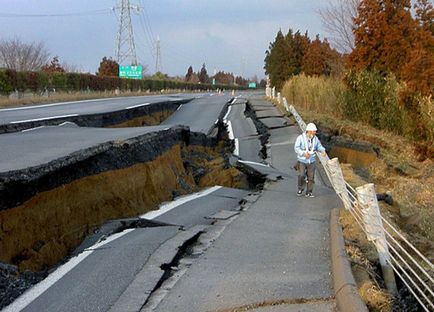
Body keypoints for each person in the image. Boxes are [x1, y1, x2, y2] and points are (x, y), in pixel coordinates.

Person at [294, 123, 326, 198]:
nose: (315, 132)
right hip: (302, 160)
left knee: (311, 177)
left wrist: (323, 150)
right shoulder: (300, 138)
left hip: (312, 161)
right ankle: (300, 188)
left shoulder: (315, 139)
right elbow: (296, 148)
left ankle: (309, 192)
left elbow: (319, 146)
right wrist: (303, 153)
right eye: (314, 131)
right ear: (309, 131)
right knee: (301, 175)